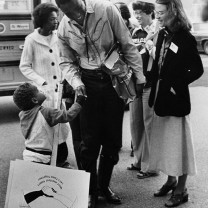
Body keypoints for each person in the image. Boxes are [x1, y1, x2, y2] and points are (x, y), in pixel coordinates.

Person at [55, 0, 145, 207]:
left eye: (77, 10)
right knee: (89, 142)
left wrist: (139, 76)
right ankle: (91, 190)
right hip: (87, 83)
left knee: (112, 141)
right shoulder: (63, 26)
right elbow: (66, 61)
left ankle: (104, 186)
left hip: (114, 80)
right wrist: (76, 83)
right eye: (68, 13)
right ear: (61, 9)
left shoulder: (106, 10)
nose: (75, 16)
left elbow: (127, 43)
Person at [147, 0, 204, 207]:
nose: (158, 15)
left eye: (161, 12)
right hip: (161, 99)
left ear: (173, 11)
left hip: (176, 100)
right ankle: (171, 181)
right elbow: (159, 66)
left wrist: (176, 85)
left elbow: (197, 70)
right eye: (156, 12)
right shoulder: (162, 34)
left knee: (179, 146)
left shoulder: (185, 37)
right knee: (165, 145)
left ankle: (182, 189)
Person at [19, 3, 71, 168]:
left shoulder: (59, 37)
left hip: (60, 90)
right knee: (47, 130)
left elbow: (65, 59)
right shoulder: (31, 40)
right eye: (51, 19)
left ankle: (61, 160)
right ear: (42, 20)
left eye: (57, 19)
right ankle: (47, 163)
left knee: (61, 127)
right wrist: (41, 81)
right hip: (43, 94)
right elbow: (24, 66)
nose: (55, 22)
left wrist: (66, 78)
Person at [13, 82, 85, 165]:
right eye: (38, 90)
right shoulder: (46, 112)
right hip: (44, 157)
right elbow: (68, 115)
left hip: (29, 155)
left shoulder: (23, 114)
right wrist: (79, 101)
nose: (41, 90)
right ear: (35, 100)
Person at [126, 0, 159, 179]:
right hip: (134, 84)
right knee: (135, 124)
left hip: (149, 83)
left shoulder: (157, 31)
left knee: (149, 126)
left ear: (149, 13)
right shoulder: (134, 31)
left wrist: (150, 46)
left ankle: (151, 166)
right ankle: (139, 160)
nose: (137, 16)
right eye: (136, 13)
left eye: (141, 13)